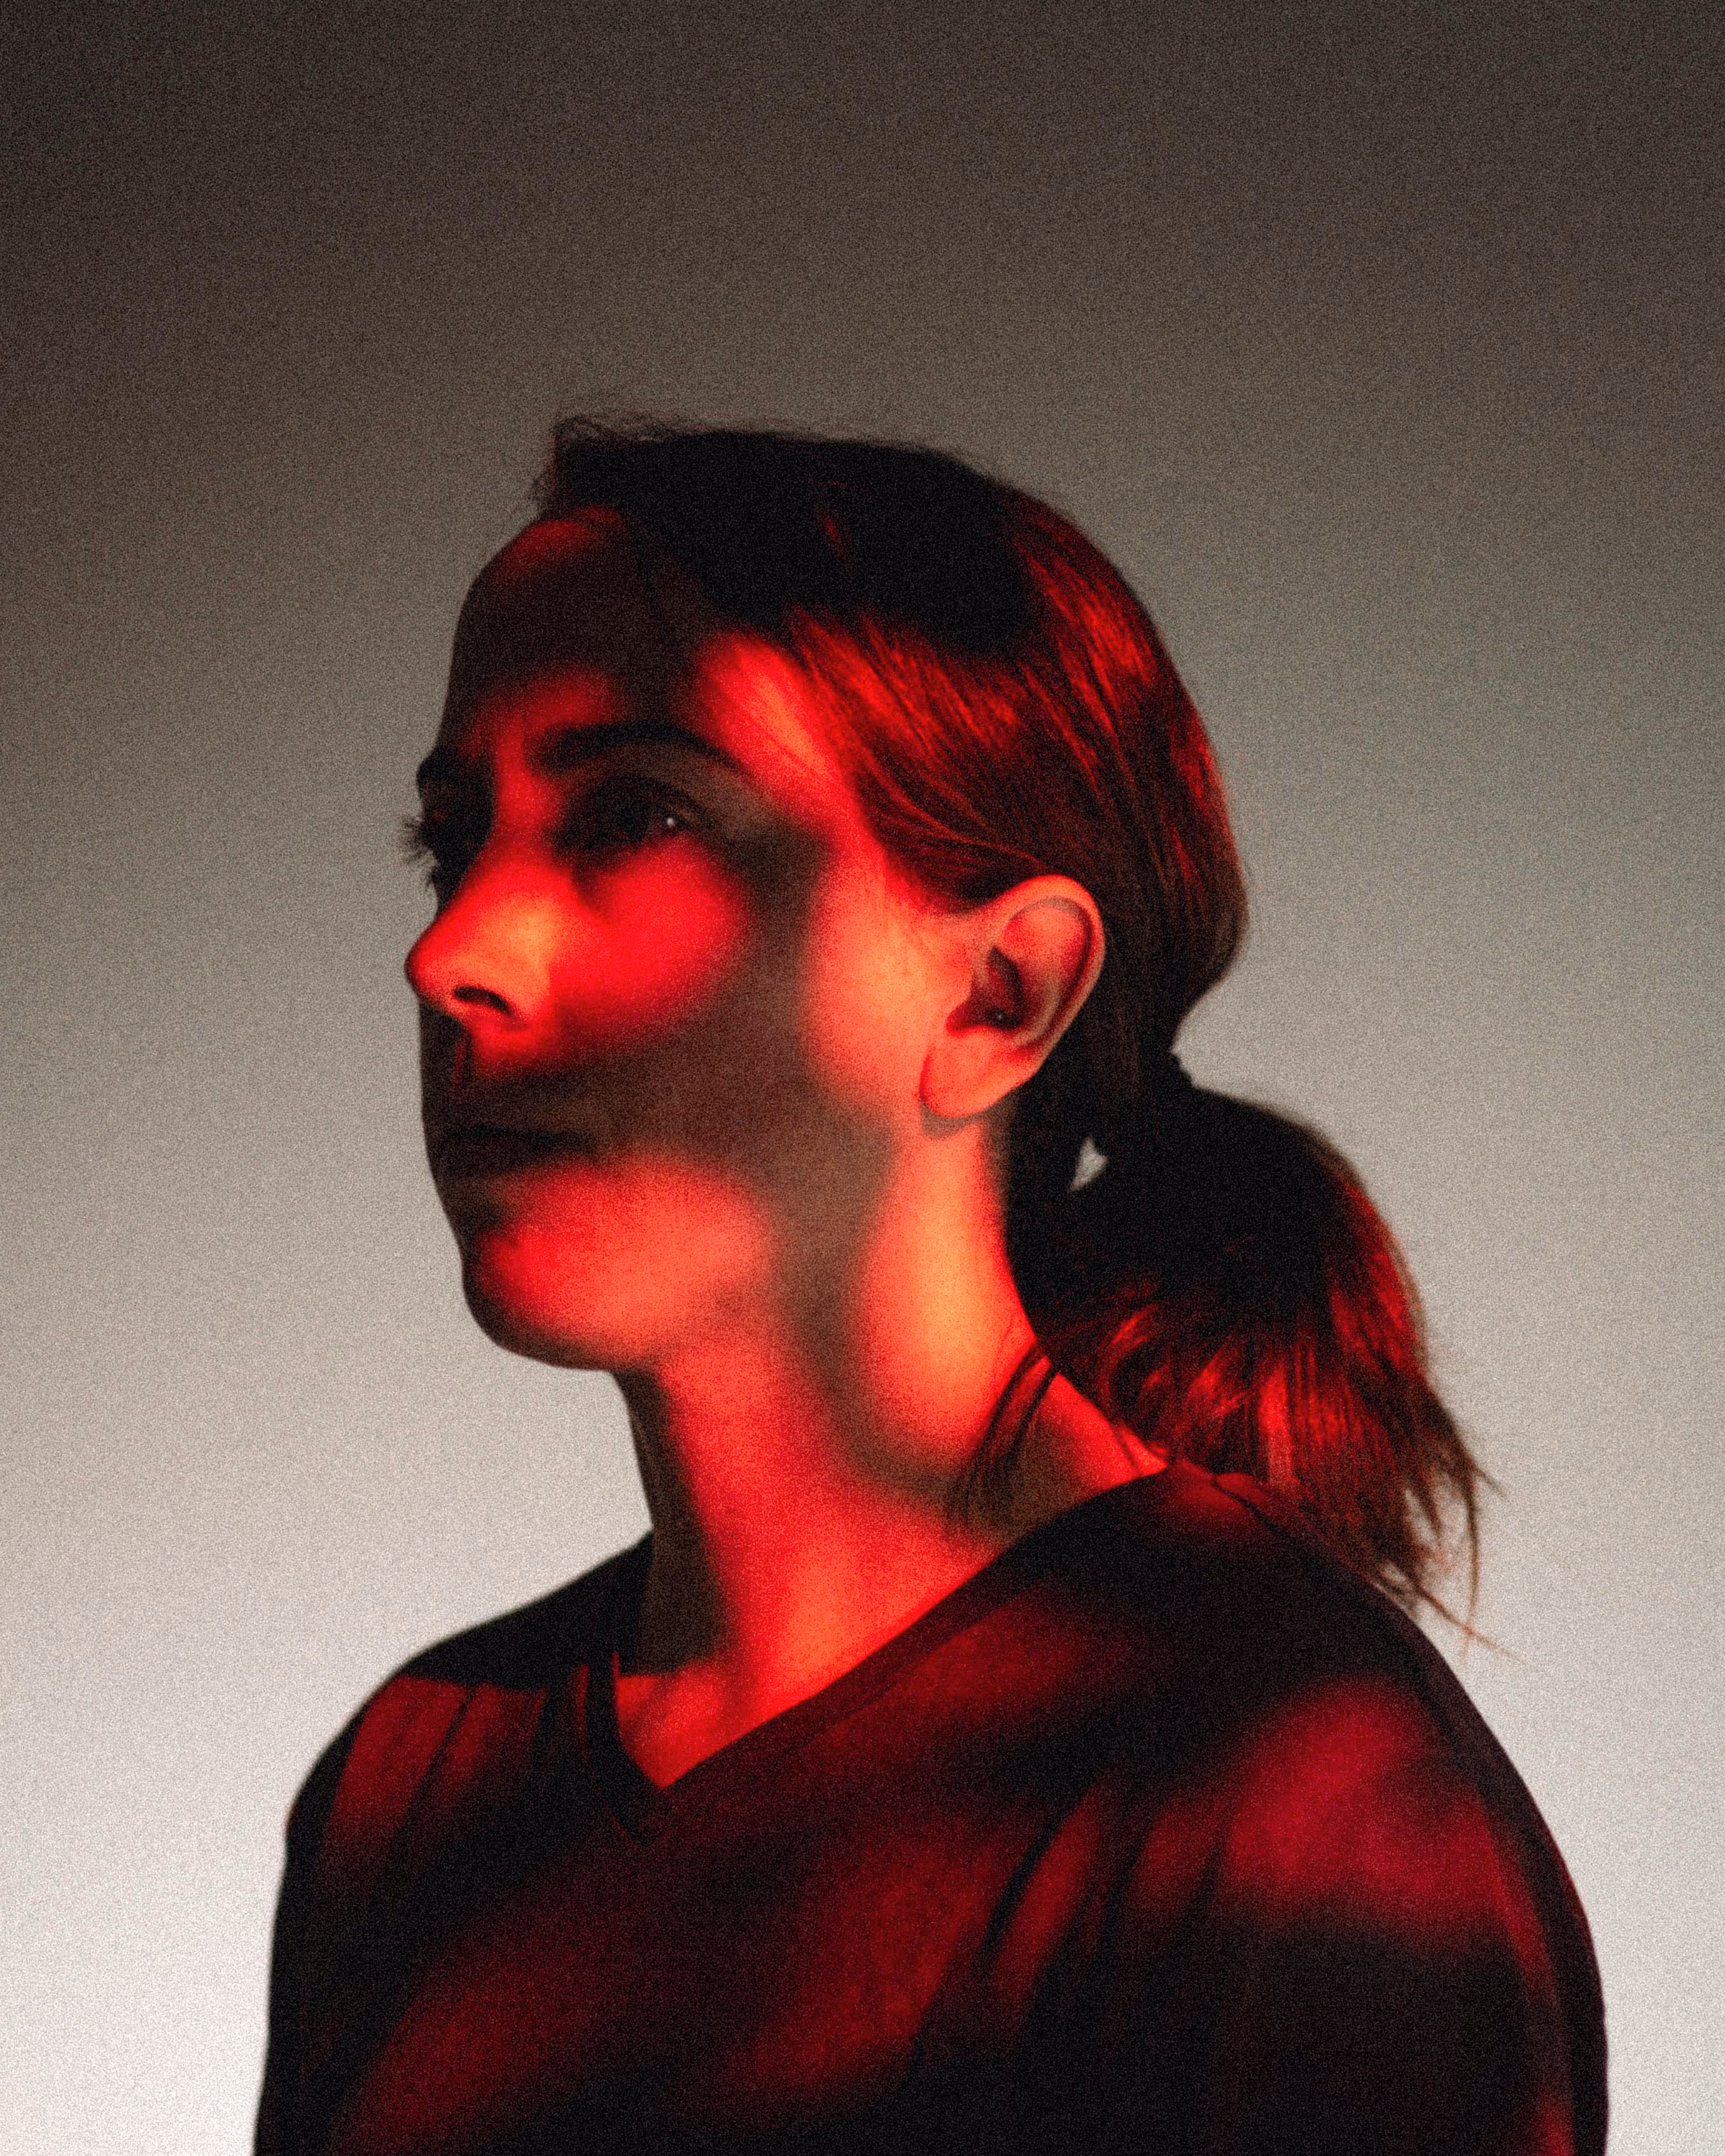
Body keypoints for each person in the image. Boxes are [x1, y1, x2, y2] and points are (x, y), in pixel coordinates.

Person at [255, 423, 1607, 2156]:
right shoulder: (410, 1785)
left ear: (999, 992)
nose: (453, 951)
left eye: (638, 814)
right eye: (455, 843)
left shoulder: (1281, 1798)